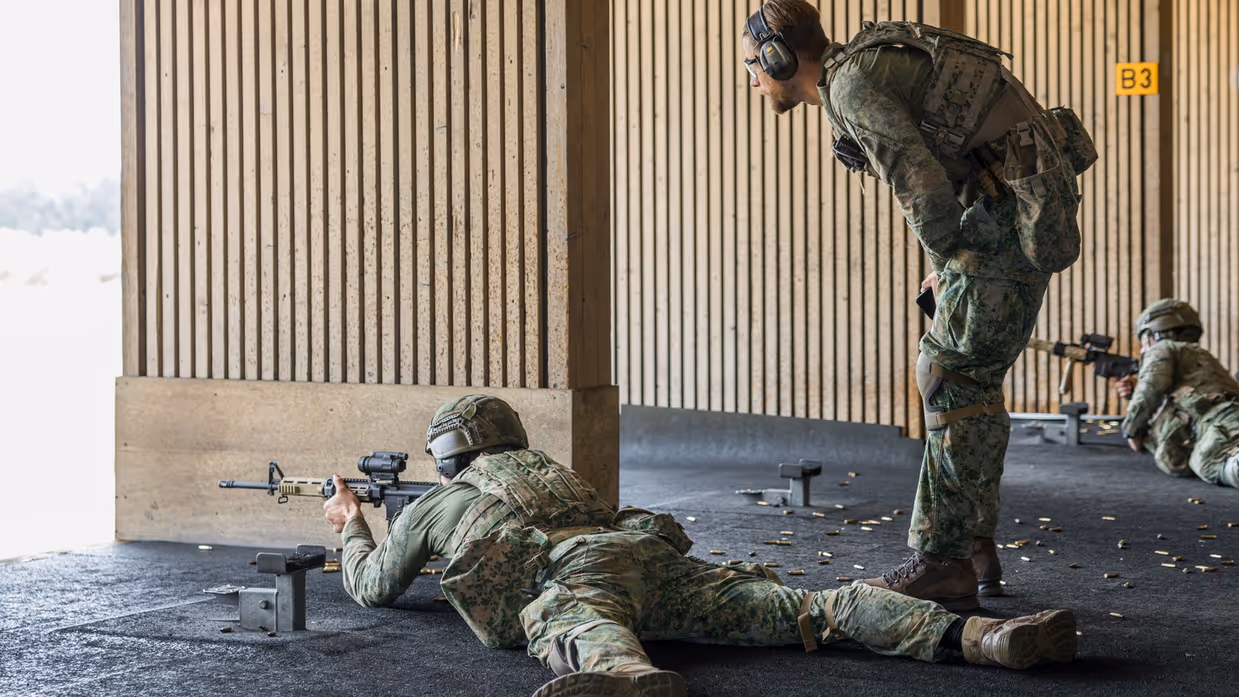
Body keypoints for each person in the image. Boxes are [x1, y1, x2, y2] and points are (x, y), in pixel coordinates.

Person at [323, 394, 1078, 697]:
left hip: (577, 574)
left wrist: (351, 519)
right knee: (809, 606)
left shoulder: (446, 499)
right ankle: (984, 635)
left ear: (448, 457)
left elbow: (373, 587)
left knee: (573, 619)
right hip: (647, 556)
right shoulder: (550, 471)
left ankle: (627, 676)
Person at [741, 0, 1094, 607]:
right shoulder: (863, 67)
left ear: (780, 57)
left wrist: (949, 260)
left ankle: (944, 561)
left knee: (950, 374)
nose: (750, 78)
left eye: (753, 63)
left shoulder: (851, 84)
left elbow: (923, 192)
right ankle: (972, 545)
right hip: (1009, 214)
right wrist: (946, 267)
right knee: (966, 379)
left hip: (1005, 222)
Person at [1114, 299, 1239, 487]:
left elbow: (1151, 388)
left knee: (1213, 460)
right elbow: (1173, 447)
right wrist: (1132, 396)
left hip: (1222, 424)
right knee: (1208, 460)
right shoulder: (1197, 360)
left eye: (1144, 340)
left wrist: (1132, 429)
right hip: (1218, 426)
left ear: (1156, 333)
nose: (1142, 350)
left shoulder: (1163, 349)